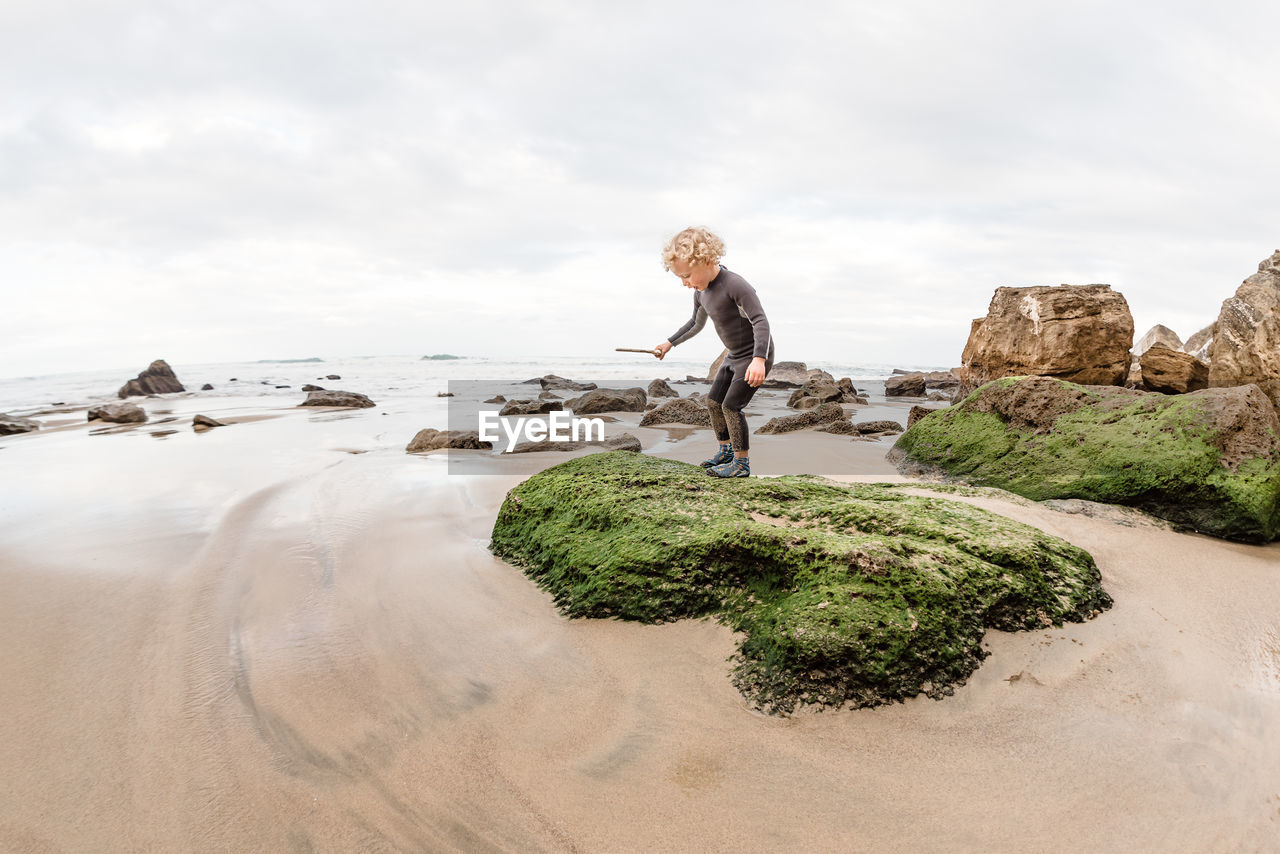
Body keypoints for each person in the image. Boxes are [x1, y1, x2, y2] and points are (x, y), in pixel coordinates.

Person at [653, 226, 775, 478]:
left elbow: (760, 321)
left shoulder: (736, 285)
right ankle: (726, 451)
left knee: (731, 406)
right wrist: (669, 343)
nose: (685, 283)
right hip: (733, 355)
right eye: (680, 278)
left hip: (753, 356)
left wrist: (759, 360)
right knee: (713, 402)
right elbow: (695, 324)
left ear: (707, 261)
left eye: (686, 275)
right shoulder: (701, 291)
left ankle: (741, 464)